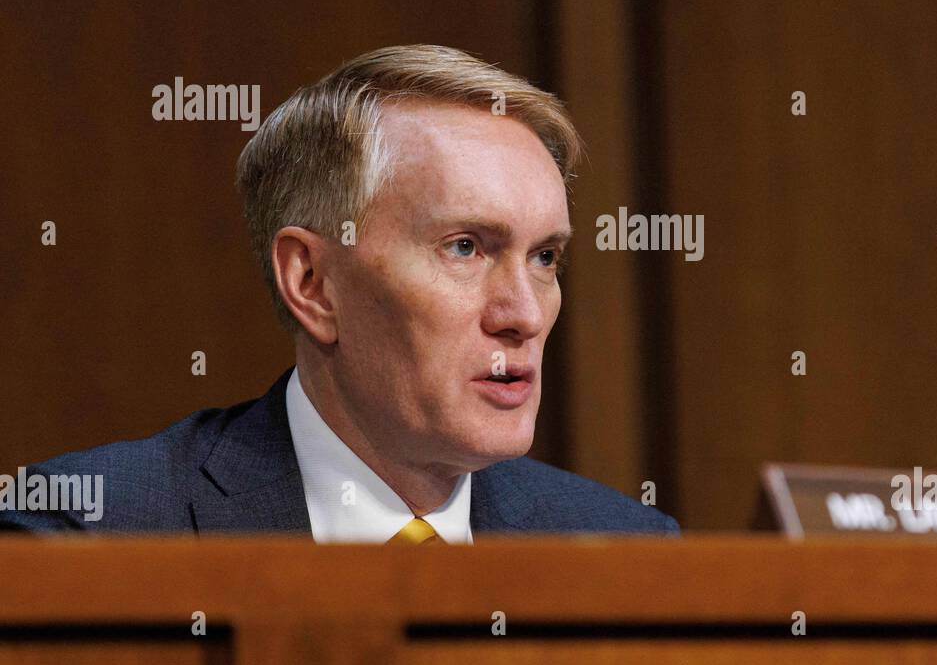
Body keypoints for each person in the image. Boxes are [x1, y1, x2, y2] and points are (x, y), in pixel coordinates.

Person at [1, 45, 679, 542]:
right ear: (312, 284)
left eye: (545, 257)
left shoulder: (627, 546)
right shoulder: (84, 532)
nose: (525, 315)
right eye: (466, 247)